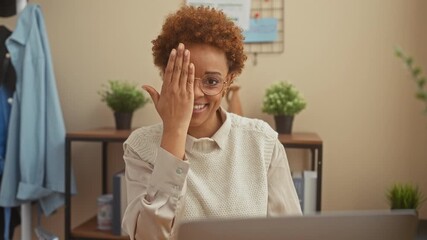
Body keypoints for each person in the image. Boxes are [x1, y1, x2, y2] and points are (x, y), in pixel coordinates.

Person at [122, 5, 302, 240]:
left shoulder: (262, 142)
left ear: (229, 81)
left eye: (211, 81)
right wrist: (174, 131)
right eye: (184, 78)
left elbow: (291, 234)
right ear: (167, 76)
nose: (195, 93)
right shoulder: (141, 146)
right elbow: (148, 236)